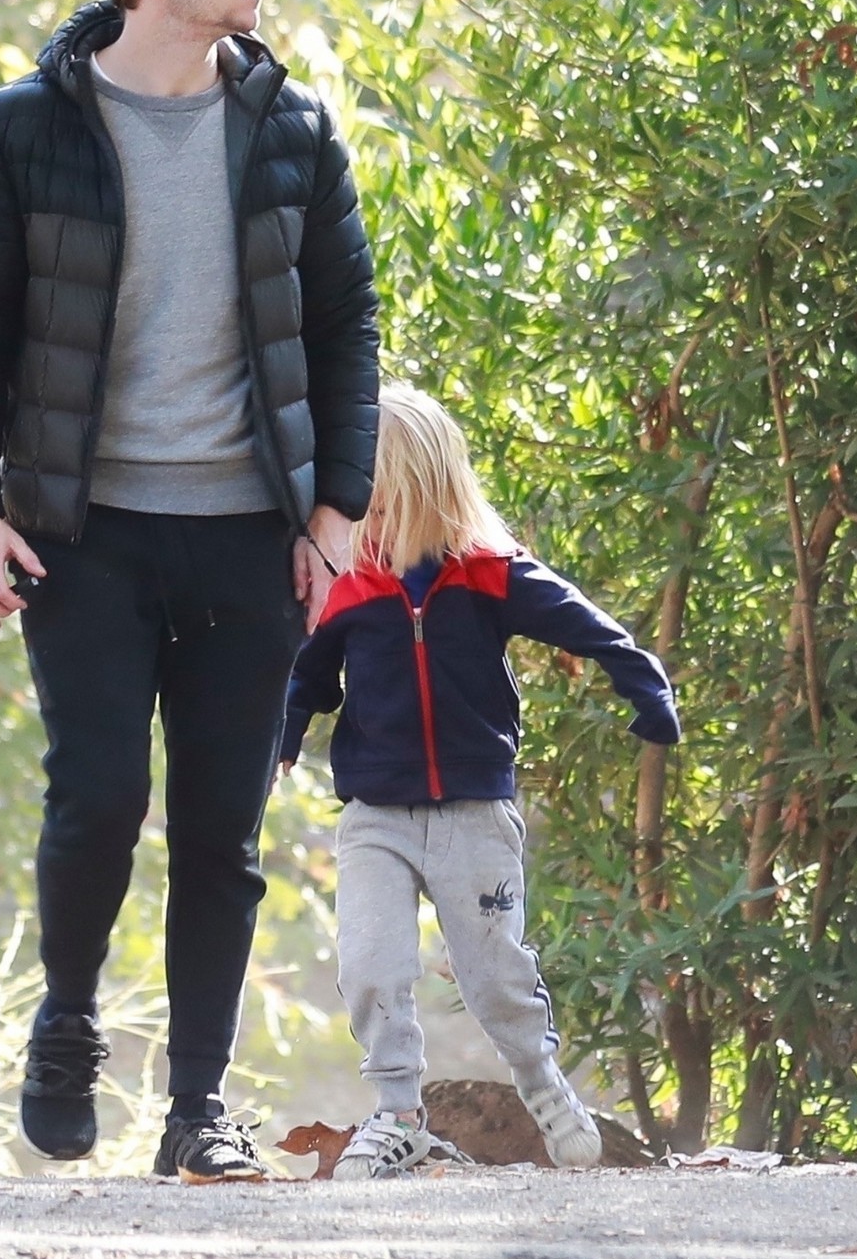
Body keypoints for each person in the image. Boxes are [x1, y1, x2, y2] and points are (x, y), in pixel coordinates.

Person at [0, 0, 381, 1182]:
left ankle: (199, 1106)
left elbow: (346, 329)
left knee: (223, 830)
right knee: (99, 797)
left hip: (249, 531)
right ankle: (68, 1022)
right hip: (86, 532)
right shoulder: (20, 130)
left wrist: (336, 514)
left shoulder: (292, 130)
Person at [278, 384, 682, 1178]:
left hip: (473, 813)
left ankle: (541, 1082)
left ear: (428, 494)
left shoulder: (491, 575)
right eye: (360, 504)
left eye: (382, 503)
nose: (369, 522)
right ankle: (398, 1114)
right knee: (369, 964)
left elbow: (589, 627)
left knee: (496, 974)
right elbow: (309, 676)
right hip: (376, 814)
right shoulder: (352, 587)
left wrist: (647, 691)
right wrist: (282, 740)